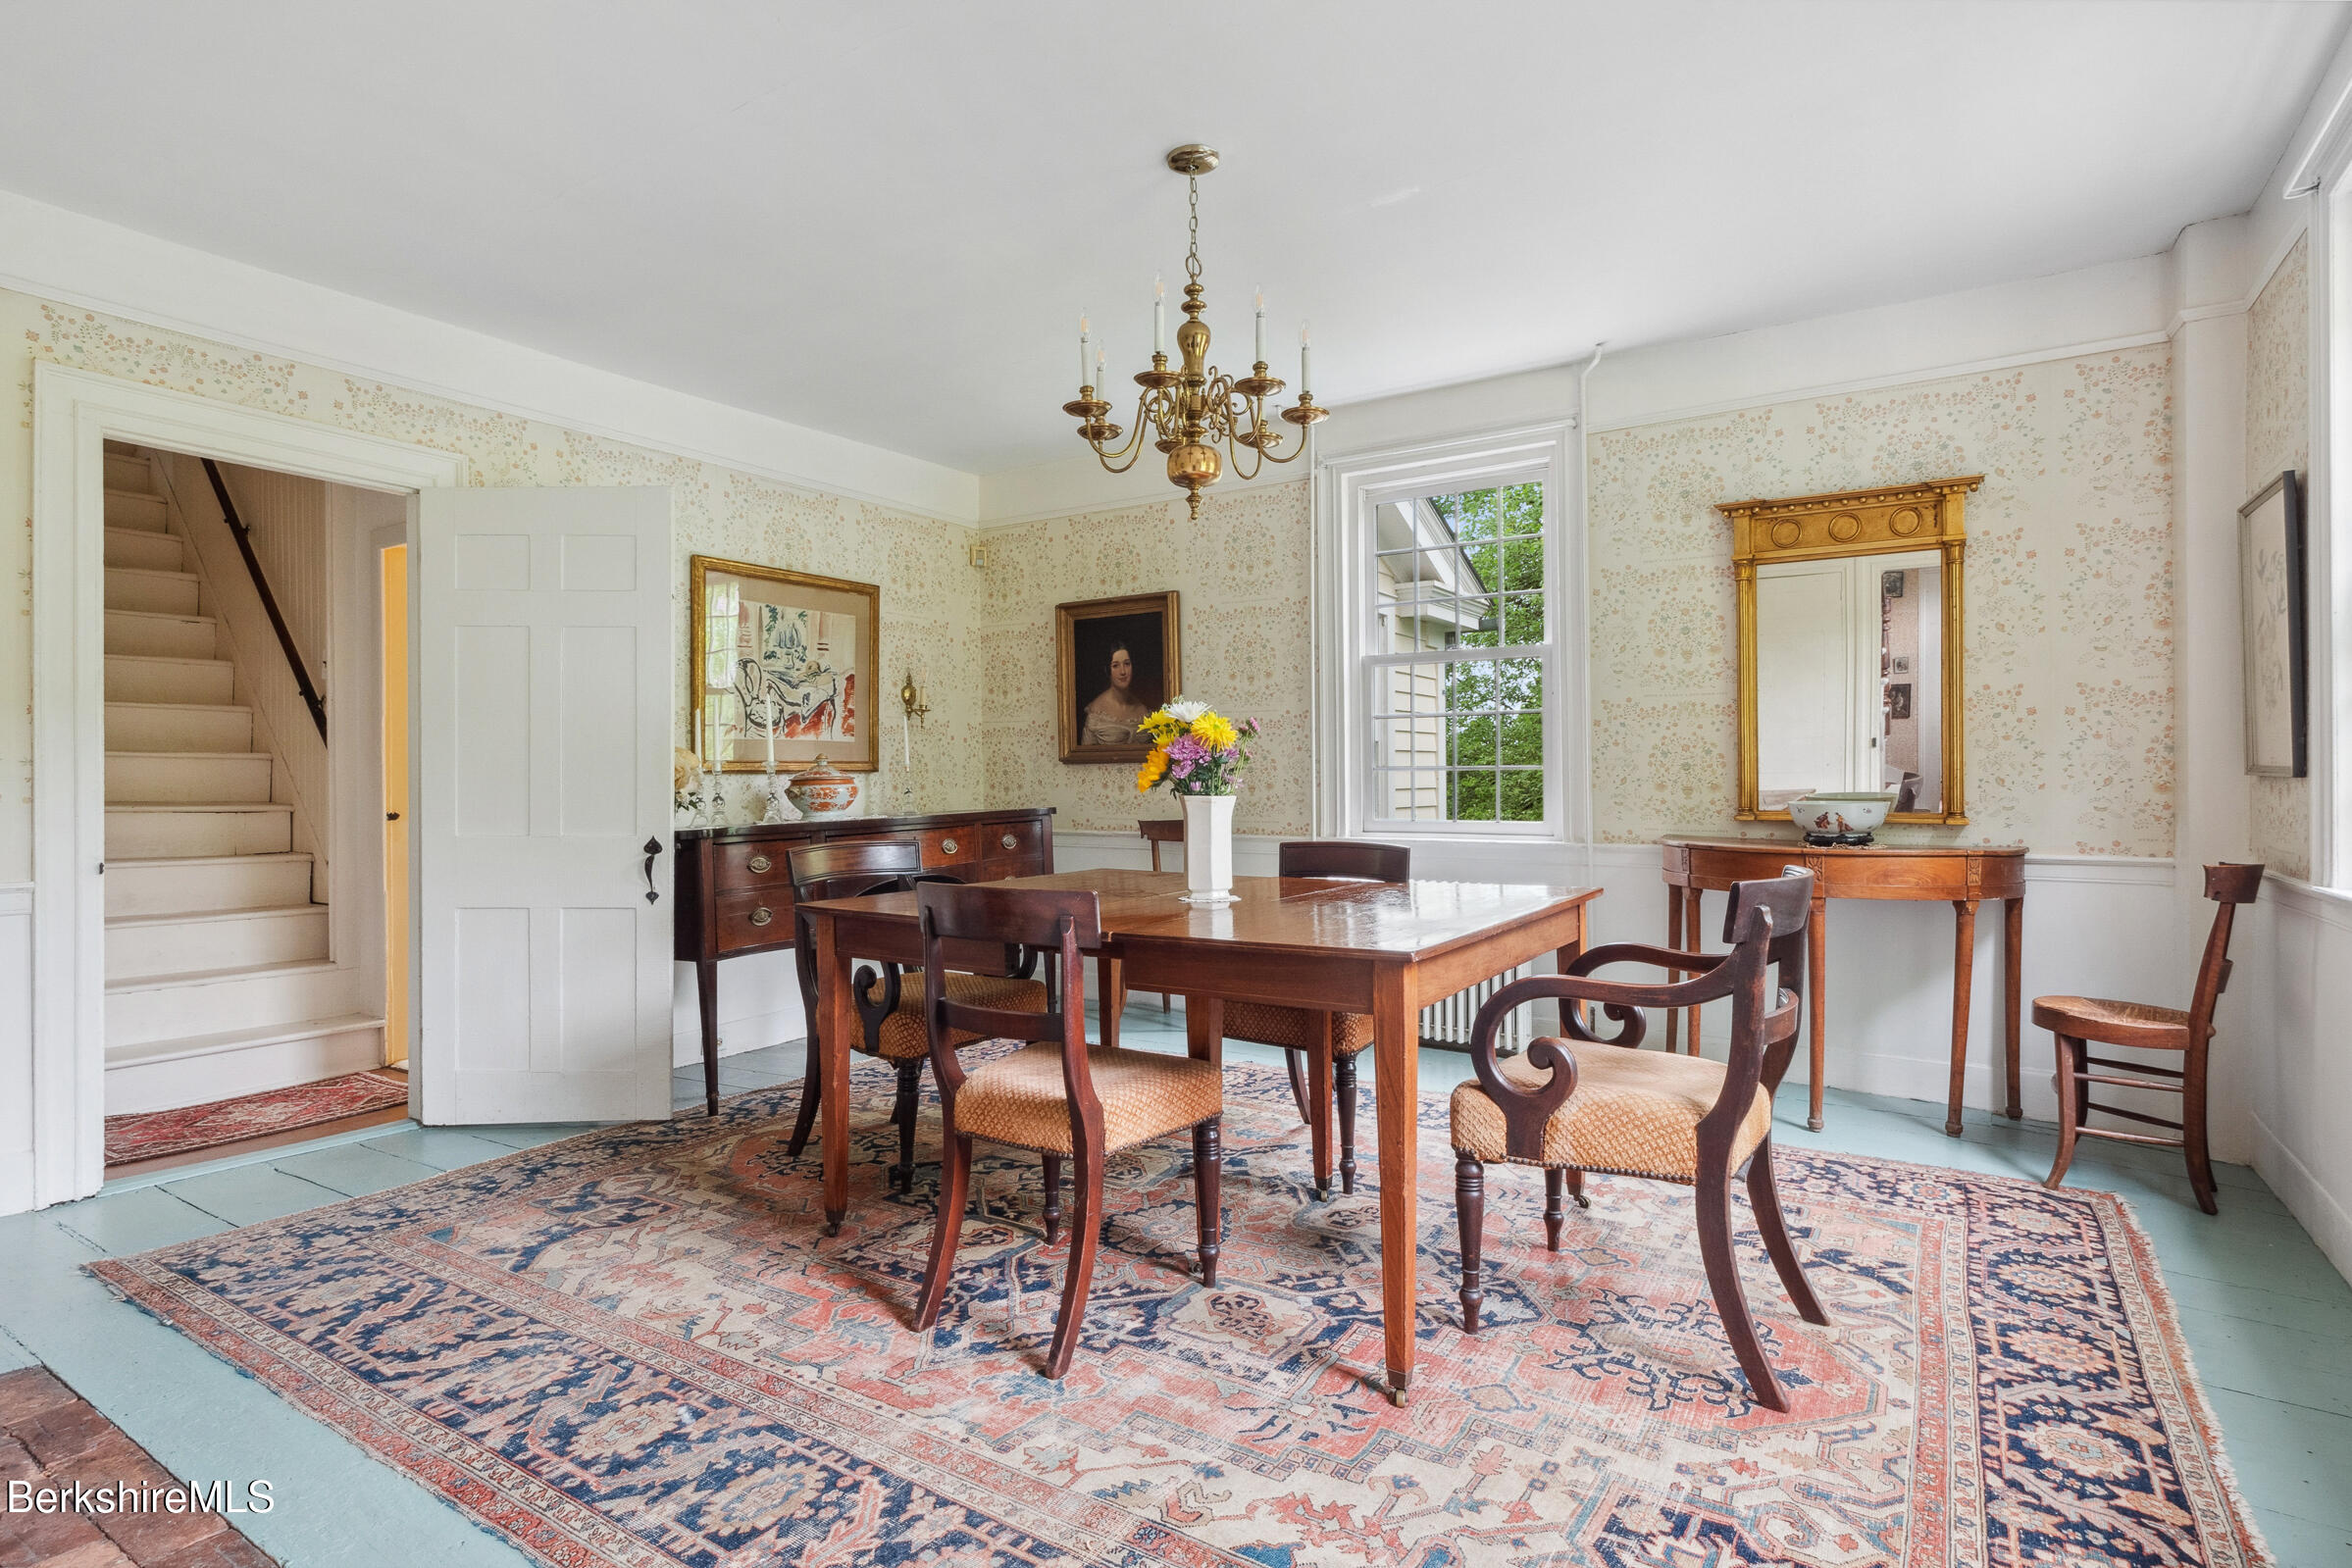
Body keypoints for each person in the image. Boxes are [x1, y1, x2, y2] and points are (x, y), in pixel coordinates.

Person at [1081, 641, 1152, 746]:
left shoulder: (1143, 710)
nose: (1123, 671)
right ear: (1107, 670)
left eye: (1127, 664)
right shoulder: (1096, 712)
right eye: (1115, 666)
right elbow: (1085, 758)